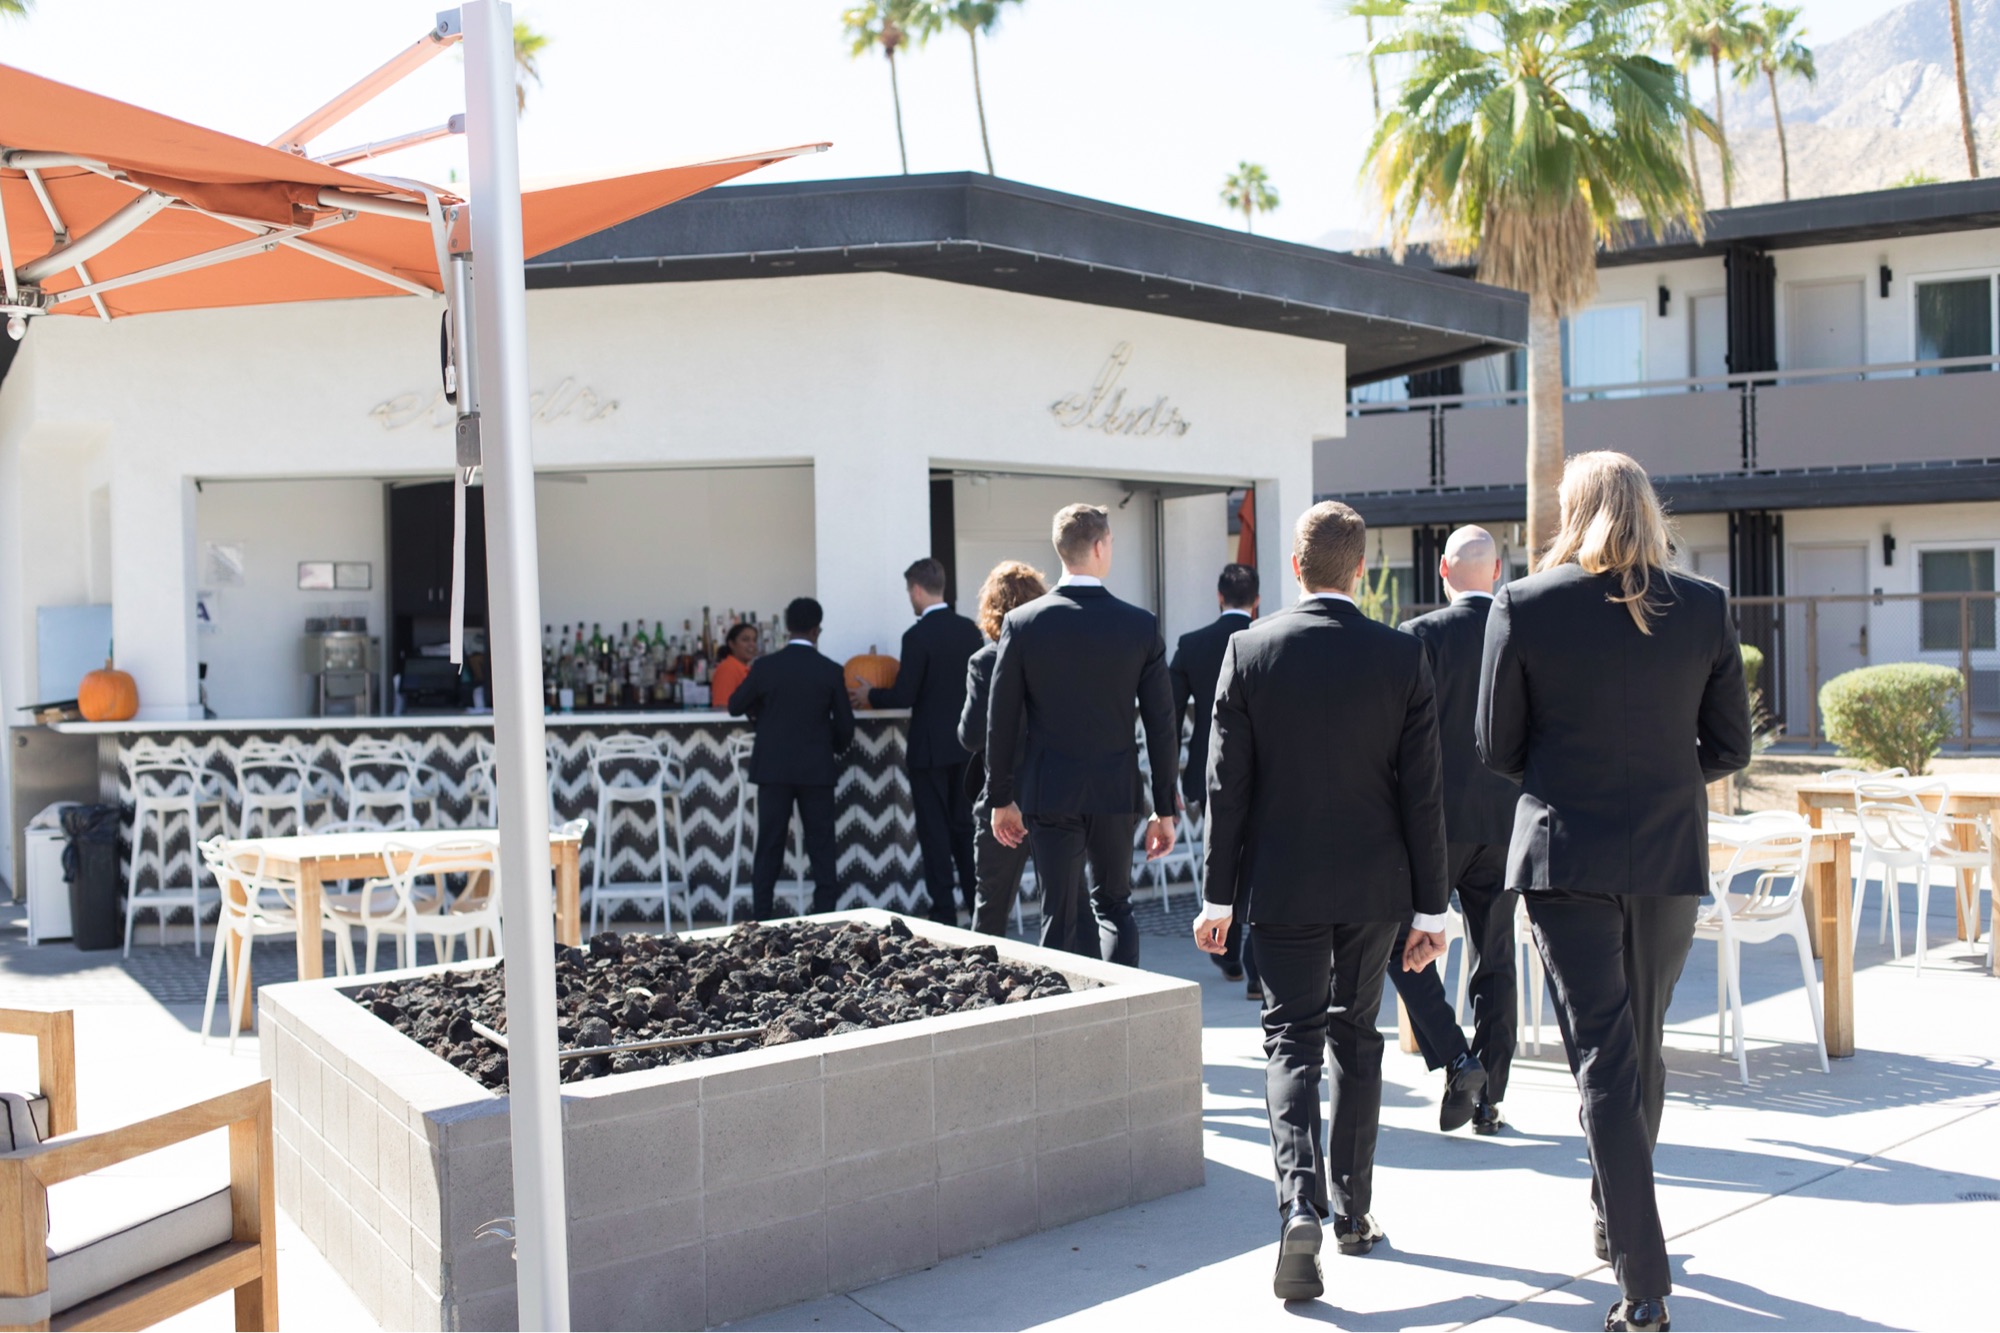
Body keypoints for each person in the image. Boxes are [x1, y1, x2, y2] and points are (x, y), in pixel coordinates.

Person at [1477, 452, 1752, 1333]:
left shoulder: (1524, 602)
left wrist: (1569, 781)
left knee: (1607, 1057)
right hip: (1666, 855)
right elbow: (1732, 747)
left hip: (1568, 855)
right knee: (1638, 1047)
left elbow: (1495, 744)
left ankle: (1643, 1276)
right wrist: (1668, 779)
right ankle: (1617, 1220)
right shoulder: (1702, 605)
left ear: (1575, 510)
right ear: (1647, 507)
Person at [1195, 500, 1449, 1304]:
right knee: (1356, 1037)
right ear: (1362, 570)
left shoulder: (1249, 649)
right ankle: (1353, 1213)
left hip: (1282, 885)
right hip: (1377, 890)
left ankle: (1299, 1204)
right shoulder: (1400, 656)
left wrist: (1216, 896)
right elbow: (1424, 797)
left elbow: (1224, 789)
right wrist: (1431, 911)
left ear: (1296, 569)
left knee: (1290, 1042)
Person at [986, 504, 1178, 964]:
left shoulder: (1023, 623)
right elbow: (1162, 723)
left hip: (1050, 790)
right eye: (1110, 542)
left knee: (1057, 913)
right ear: (1098, 546)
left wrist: (1000, 798)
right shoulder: (1140, 625)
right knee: (1115, 907)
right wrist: (1164, 810)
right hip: (1115, 789)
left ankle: (1058, 1021)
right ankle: (1125, 1011)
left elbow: (1001, 718)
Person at [1391, 525, 1522, 1135]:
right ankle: (1489, 1096)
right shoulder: (1522, 633)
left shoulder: (1417, 638)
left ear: (1443, 571)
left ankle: (1455, 1056)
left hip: (1433, 826)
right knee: (1495, 958)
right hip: (1506, 823)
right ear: (1496, 573)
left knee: (1401, 946)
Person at [851, 558, 986, 927]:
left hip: (928, 751)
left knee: (934, 833)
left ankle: (943, 912)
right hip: (967, 748)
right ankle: (978, 909)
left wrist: (870, 694)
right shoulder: (970, 631)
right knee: (965, 829)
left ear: (916, 590)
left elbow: (904, 694)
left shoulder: (917, 636)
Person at [728, 597, 856, 919]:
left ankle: (762, 920)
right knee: (822, 849)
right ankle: (826, 922)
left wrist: (762, 717)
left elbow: (735, 704)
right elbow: (845, 727)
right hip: (817, 771)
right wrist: (832, 747)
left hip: (772, 770)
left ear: (787, 628)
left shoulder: (765, 667)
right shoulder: (830, 671)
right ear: (817, 629)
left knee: (768, 847)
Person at [1169, 562, 1261, 993]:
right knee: (1259, 861)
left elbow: (1167, 715)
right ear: (1256, 601)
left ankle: (1230, 954)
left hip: (1213, 768)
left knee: (1222, 849)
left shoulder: (1192, 645)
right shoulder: (1268, 639)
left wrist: (1169, 779)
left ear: (1219, 596)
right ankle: (1258, 967)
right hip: (1265, 769)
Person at [957, 560, 1048, 935]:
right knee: (1066, 906)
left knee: (991, 908)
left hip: (1002, 798)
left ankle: (981, 987)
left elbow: (972, 735)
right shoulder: (1057, 658)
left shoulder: (986, 660)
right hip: (1055, 794)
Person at [710, 621, 758, 713]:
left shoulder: (747, 669)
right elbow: (721, 707)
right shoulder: (728, 669)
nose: (752, 644)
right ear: (732, 644)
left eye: (754, 640)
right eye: (745, 640)